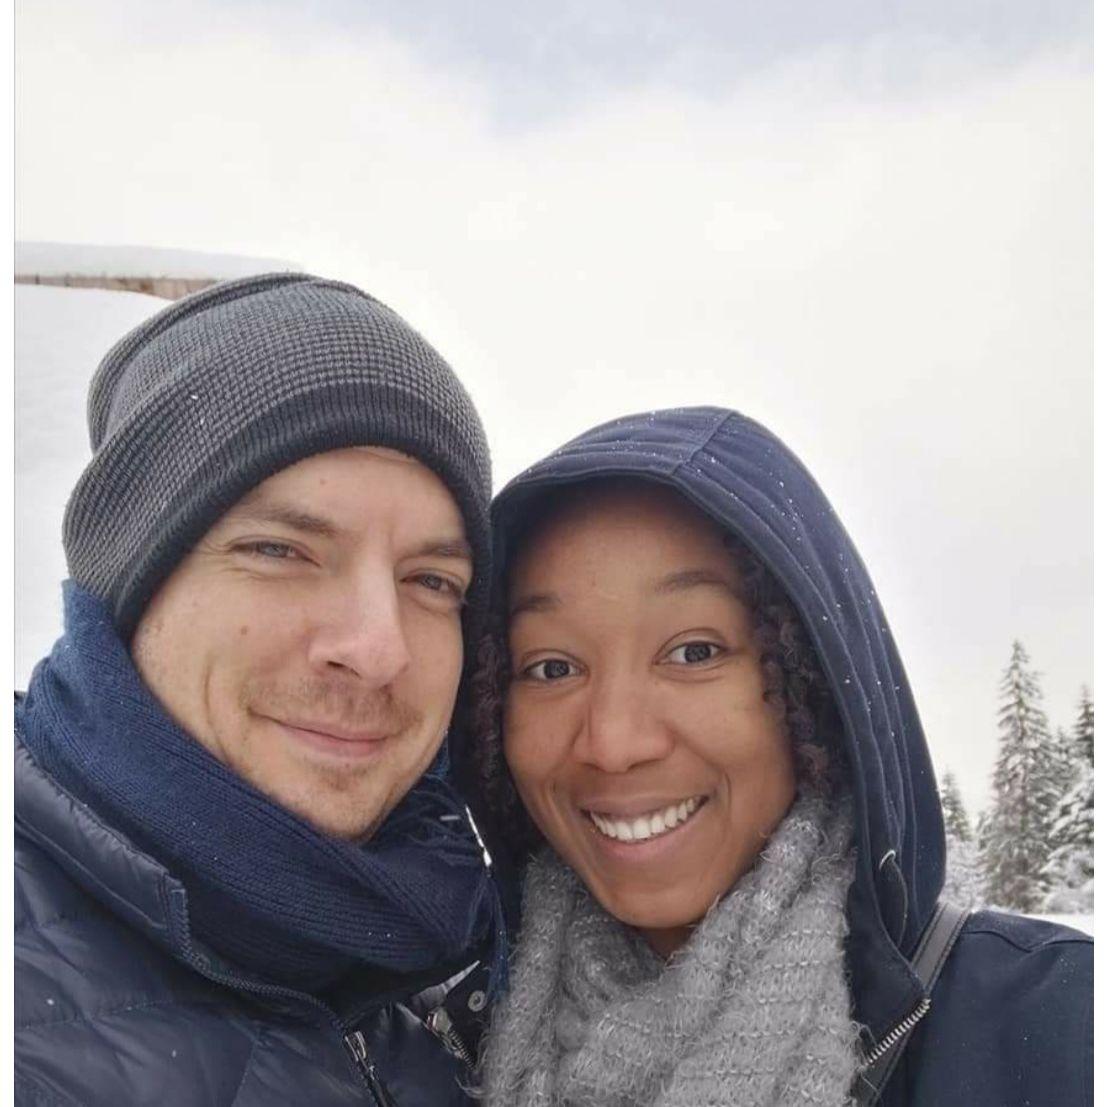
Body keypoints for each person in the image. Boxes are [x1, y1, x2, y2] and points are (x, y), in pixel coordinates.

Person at [473, 406, 1091, 1106]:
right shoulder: (431, 1037)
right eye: (552, 667)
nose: (612, 744)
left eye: (693, 652)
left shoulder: (1058, 1026)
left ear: (811, 685)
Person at [15, 273, 507, 1107]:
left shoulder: (477, 956)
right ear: (132, 581)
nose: (378, 649)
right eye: (279, 550)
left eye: (431, 579)